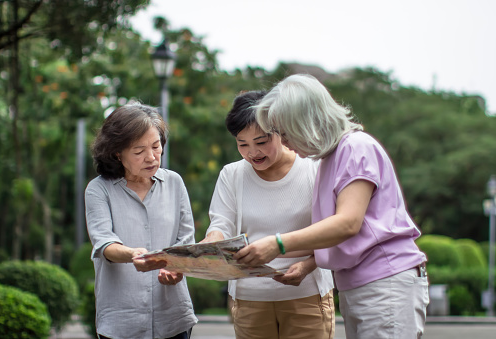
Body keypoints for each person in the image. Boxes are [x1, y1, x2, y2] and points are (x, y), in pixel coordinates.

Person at [234, 74, 430, 339]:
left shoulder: (356, 147)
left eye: (284, 132)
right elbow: (328, 236)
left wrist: (277, 244)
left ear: (304, 122)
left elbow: (348, 223)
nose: (284, 141)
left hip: (385, 282)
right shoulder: (330, 158)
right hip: (361, 284)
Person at [202, 90, 336, 339]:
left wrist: (308, 265)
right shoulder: (232, 175)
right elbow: (222, 223)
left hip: (307, 297)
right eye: (242, 144)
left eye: (262, 142)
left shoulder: (313, 169)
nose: (253, 152)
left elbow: (333, 230)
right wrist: (210, 242)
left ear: (282, 132)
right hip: (250, 299)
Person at [85, 103, 198, 339]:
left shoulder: (174, 183)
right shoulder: (98, 189)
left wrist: (177, 268)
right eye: (139, 151)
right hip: (121, 320)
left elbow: (185, 241)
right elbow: (104, 244)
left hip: (173, 317)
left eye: (156, 146)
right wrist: (133, 254)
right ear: (117, 153)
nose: (151, 157)